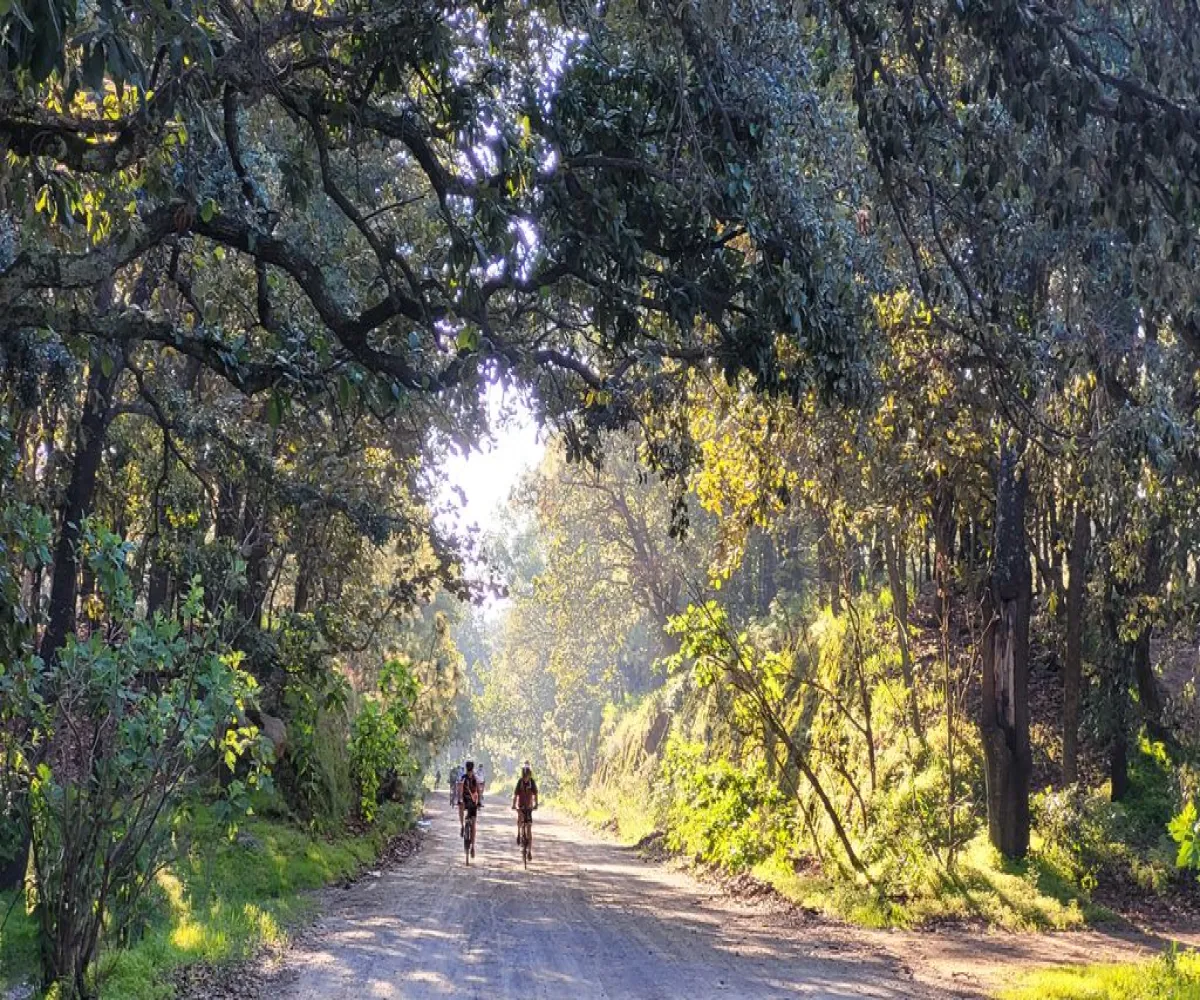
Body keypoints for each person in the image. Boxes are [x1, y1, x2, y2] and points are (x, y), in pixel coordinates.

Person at [512, 763, 539, 858]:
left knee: (529, 828)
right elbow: (515, 795)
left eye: (527, 776)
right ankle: (519, 833)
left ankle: (529, 851)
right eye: (524, 776)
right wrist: (513, 805)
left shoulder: (532, 782)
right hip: (521, 806)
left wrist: (536, 804)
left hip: (529, 807)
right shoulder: (520, 782)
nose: (525, 777)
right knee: (520, 819)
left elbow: (535, 794)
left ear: (529, 775)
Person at [461, 760, 482, 859]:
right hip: (466, 801)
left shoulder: (474, 778)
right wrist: (460, 799)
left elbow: (478, 790)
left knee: (473, 823)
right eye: (468, 770)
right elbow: (460, 789)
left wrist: (479, 801)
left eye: (470, 770)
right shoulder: (464, 778)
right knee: (461, 807)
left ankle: (473, 846)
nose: (469, 772)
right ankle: (462, 826)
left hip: (472, 802)